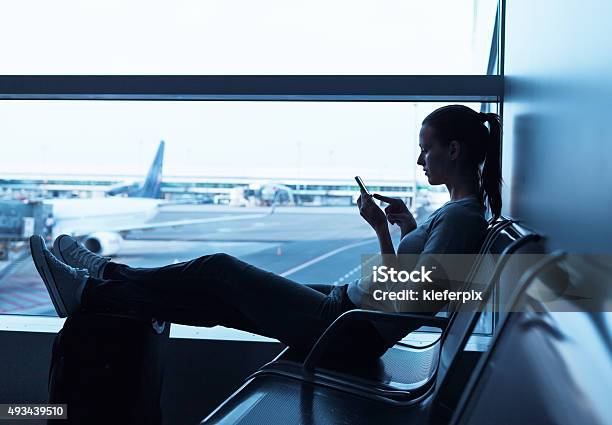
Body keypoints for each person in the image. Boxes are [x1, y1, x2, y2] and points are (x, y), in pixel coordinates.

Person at [30, 105, 501, 362]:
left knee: (217, 270)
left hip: (346, 331)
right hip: (346, 314)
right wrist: (407, 227)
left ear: (453, 150)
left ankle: (100, 275)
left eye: (426, 149)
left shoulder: (461, 218)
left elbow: (410, 304)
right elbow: (416, 286)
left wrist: (382, 232)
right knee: (214, 299)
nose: (419, 161)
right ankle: (93, 290)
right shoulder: (458, 212)